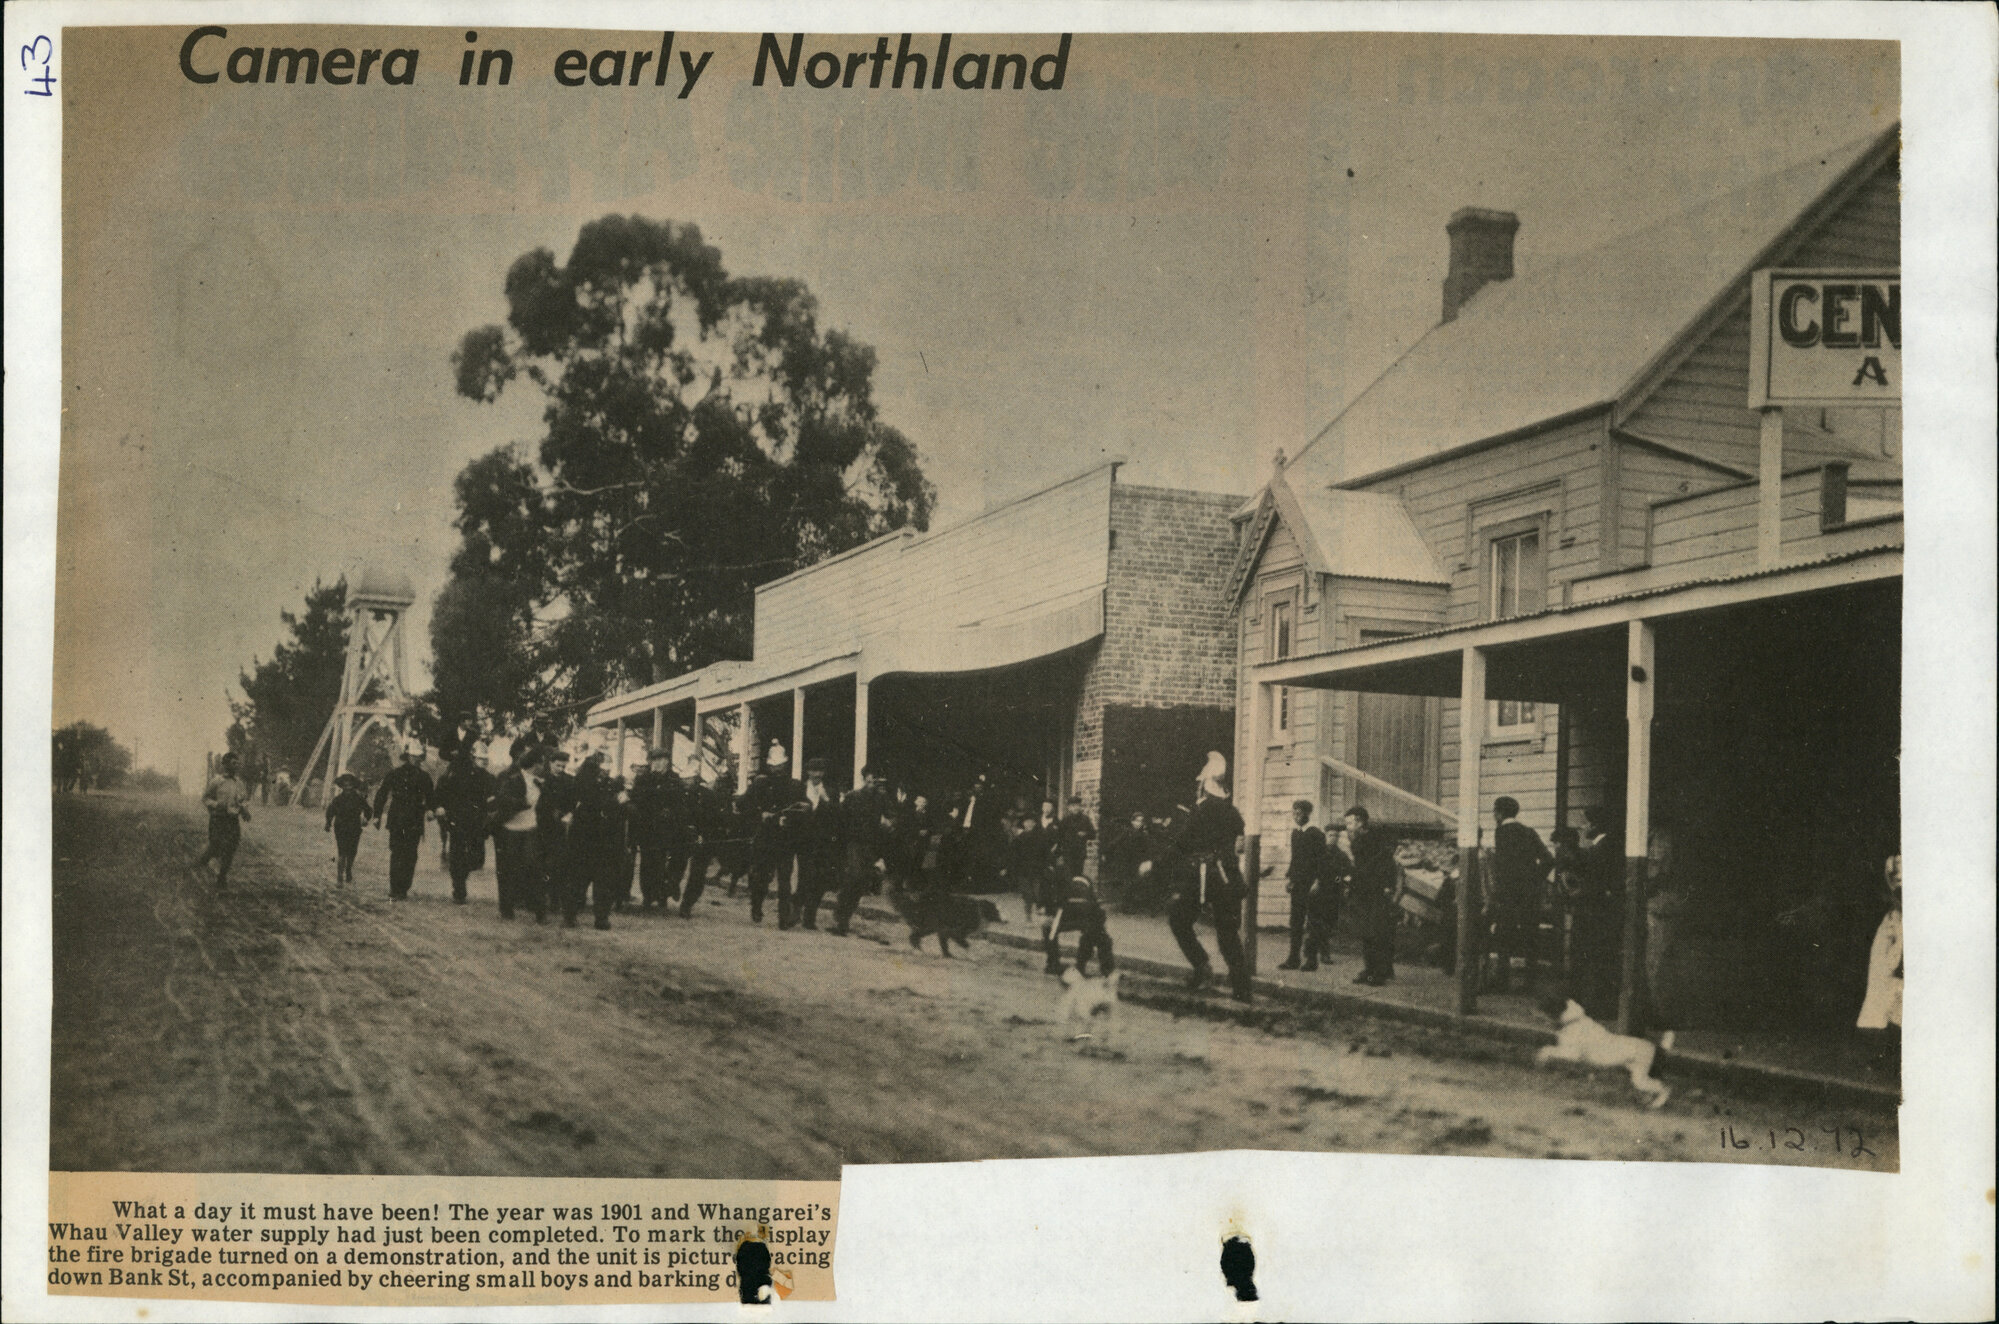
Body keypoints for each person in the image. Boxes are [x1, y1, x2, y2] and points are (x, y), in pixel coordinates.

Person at [1165, 752, 1252, 1002]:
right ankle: (1241, 988)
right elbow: (1238, 843)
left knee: (1179, 920)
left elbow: (1181, 845)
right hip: (1228, 878)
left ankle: (1202, 966)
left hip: (1204, 876)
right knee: (1228, 935)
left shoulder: (1201, 811)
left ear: (1205, 785)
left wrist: (1156, 865)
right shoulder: (1233, 813)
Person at [1487, 796, 1554, 991]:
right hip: (1529, 895)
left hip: (1508, 895)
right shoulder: (1529, 832)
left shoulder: (1502, 833)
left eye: (1494, 812)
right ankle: (1529, 983)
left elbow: (1502, 867)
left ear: (1499, 813)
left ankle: (1502, 981)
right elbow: (1549, 859)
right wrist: (1534, 880)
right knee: (1530, 937)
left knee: (1503, 936)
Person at [740, 743, 804, 926]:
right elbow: (743, 805)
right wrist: (761, 814)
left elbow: (803, 808)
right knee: (761, 877)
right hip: (765, 839)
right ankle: (756, 907)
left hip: (786, 840)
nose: (777, 769)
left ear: (786, 765)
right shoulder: (760, 784)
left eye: (780, 765)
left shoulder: (795, 786)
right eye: (774, 766)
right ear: (769, 766)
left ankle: (784, 917)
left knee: (785, 879)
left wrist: (794, 816)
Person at [488, 739, 548, 922]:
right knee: (508, 871)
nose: (544, 766)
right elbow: (502, 800)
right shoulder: (514, 779)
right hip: (510, 831)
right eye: (542, 762)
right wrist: (522, 804)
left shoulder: (542, 782)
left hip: (530, 830)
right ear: (535, 764)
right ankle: (506, 910)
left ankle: (540, 913)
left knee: (536, 871)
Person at [564, 758, 626, 929]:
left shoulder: (604, 785)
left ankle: (581, 917)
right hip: (591, 841)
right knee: (589, 882)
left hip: (593, 842)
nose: (603, 773)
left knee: (585, 881)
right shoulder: (586, 785)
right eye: (601, 770)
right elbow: (599, 803)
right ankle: (593, 917)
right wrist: (616, 801)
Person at [432, 739, 496, 904]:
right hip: (459, 820)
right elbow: (442, 791)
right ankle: (459, 889)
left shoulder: (489, 778)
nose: (484, 762)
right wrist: (439, 807)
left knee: (477, 859)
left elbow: (495, 798)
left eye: (486, 760)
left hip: (478, 823)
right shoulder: (459, 774)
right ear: (473, 758)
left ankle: (461, 871)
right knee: (458, 854)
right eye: (481, 759)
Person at [832, 764, 893, 935]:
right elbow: (840, 821)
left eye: (876, 778)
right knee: (855, 876)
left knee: (861, 882)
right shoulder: (853, 797)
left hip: (871, 846)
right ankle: (841, 919)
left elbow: (892, 817)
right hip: (854, 843)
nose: (872, 781)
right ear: (864, 778)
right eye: (870, 777)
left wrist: (888, 823)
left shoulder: (882, 798)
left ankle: (843, 915)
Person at [371, 740, 436, 900]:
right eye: (412, 756)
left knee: (411, 854)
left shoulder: (424, 777)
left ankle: (404, 887)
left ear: (421, 758)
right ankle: (395, 888)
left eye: (418, 756)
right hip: (397, 818)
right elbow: (382, 793)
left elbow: (431, 797)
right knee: (397, 852)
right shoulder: (395, 774)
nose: (415, 759)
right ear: (407, 756)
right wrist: (377, 815)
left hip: (415, 819)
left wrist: (430, 809)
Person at [1279, 800, 1338, 972]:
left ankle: (1311, 960)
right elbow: (1295, 859)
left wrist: (1318, 881)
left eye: (1300, 813)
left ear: (1307, 814)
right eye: (1294, 813)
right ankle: (1293, 959)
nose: (1296, 816)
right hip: (1298, 885)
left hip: (1312, 885)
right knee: (1295, 922)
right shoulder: (1295, 834)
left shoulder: (1316, 834)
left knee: (1313, 923)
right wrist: (1290, 878)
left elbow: (1322, 861)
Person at [1855, 854, 1902, 1070]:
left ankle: (1892, 1054)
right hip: (1893, 935)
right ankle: (1881, 1053)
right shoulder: (1892, 920)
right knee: (1882, 992)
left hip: (1903, 933)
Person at [1345, 805, 1399, 985]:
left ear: (1360, 822)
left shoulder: (1375, 840)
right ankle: (1369, 970)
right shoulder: (1357, 840)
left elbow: (1388, 864)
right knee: (1366, 933)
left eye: (1350, 823)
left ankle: (1380, 972)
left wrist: (1388, 887)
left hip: (1377, 891)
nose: (1348, 827)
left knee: (1378, 932)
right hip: (1363, 892)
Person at [627, 746, 686, 911]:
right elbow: (637, 801)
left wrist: (671, 812)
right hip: (648, 829)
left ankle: (661, 897)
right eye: (654, 760)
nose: (658, 764)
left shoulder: (675, 780)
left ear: (667, 761)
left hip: (667, 830)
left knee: (661, 864)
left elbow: (680, 803)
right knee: (647, 864)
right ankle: (647, 897)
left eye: (661, 760)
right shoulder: (644, 780)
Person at [790, 758, 844, 930]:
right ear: (808, 772)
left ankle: (809, 917)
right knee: (805, 876)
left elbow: (837, 816)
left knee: (820, 880)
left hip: (823, 842)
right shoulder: (798, 789)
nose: (817, 774)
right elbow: (791, 811)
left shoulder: (831, 792)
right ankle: (796, 911)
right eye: (813, 771)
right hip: (803, 840)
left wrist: (826, 799)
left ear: (823, 773)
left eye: (820, 771)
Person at [193, 751, 252, 890]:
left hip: (232, 821)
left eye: (237, 763)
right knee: (215, 847)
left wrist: (244, 811)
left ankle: (221, 878)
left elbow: (243, 800)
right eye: (233, 763)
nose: (236, 766)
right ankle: (203, 860)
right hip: (218, 820)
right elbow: (205, 798)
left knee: (230, 849)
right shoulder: (217, 781)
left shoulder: (239, 783)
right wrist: (216, 805)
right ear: (225, 765)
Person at [1043, 873, 1115, 977]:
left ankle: (1053, 963)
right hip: (1083, 912)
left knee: (1048, 928)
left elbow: (1054, 907)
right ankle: (1102, 969)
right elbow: (1099, 916)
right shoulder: (1089, 895)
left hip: (1067, 911)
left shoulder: (1066, 888)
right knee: (1097, 933)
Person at [324, 772, 371, 883]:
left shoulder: (359, 799)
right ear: (342, 787)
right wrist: (328, 822)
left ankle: (348, 870)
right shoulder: (338, 799)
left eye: (350, 785)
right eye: (345, 785)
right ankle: (340, 876)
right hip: (341, 826)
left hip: (355, 826)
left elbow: (368, 810)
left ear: (353, 786)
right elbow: (330, 811)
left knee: (352, 852)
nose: (348, 787)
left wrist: (366, 819)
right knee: (342, 852)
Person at [1056, 794, 1097, 880]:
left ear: (1080, 807)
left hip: (1079, 853)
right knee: (1068, 875)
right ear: (1069, 808)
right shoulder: (1065, 820)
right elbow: (1059, 836)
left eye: (1077, 805)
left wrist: (1085, 834)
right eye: (1073, 806)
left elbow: (1093, 834)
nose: (1075, 808)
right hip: (1068, 853)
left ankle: (1076, 892)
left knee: (1078, 876)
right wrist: (1060, 851)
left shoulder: (1085, 819)